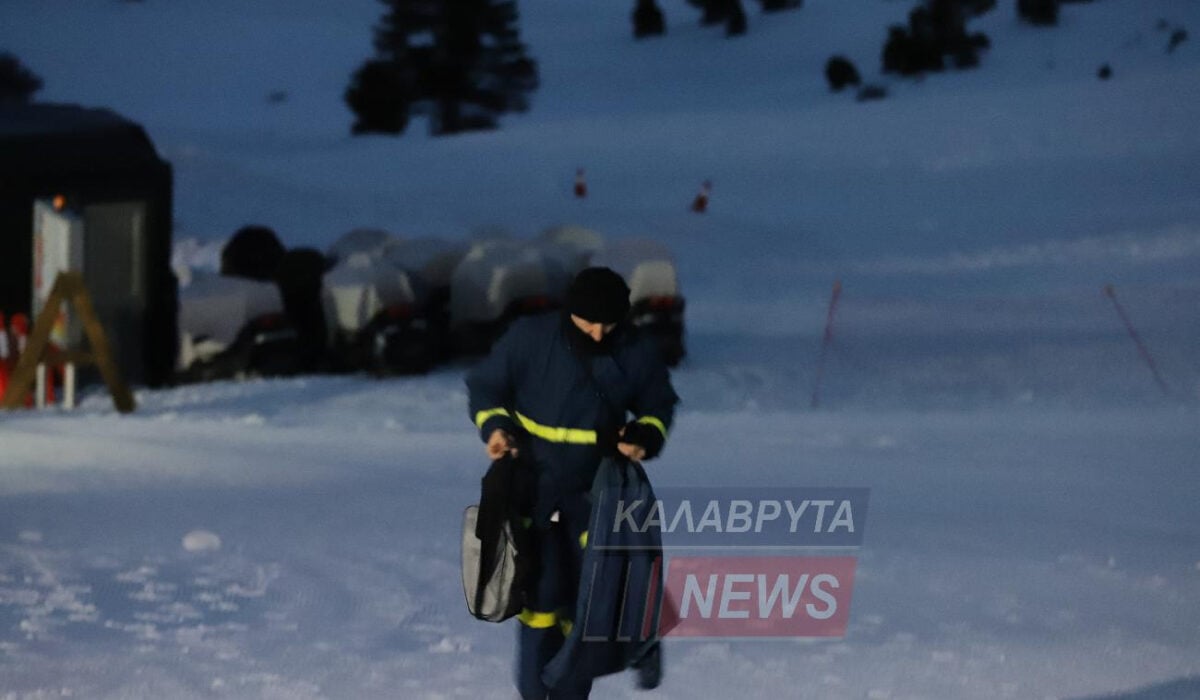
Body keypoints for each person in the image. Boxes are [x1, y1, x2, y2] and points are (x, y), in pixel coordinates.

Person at [466, 266, 679, 699]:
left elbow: (659, 403)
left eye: (609, 324)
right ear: (570, 313)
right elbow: (485, 388)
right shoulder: (529, 338)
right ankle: (532, 690)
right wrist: (495, 430)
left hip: (597, 495)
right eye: (589, 323)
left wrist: (646, 435)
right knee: (539, 602)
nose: (599, 334)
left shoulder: (634, 350)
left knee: (590, 606)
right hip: (533, 490)